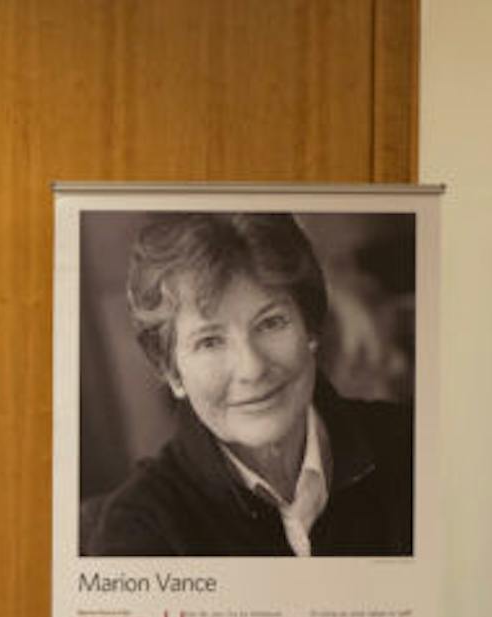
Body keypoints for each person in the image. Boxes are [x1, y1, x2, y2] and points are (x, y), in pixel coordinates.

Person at [86, 213, 413, 557]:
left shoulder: (412, 446)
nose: (252, 368)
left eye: (271, 323)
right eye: (210, 341)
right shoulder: (139, 529)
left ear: (311, 330)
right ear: (172, 373)